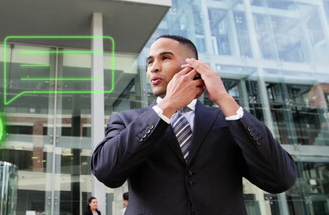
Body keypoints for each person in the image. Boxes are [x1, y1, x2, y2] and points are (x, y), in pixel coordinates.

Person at [91, 35, 297, 215]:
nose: (153, 67)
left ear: (192, 66)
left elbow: (281, 179)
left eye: (165, 58)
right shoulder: (126, 120)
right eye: (150, 62)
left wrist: (225, 99)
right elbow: (106, 171)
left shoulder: (229, 120)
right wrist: (169, 105)